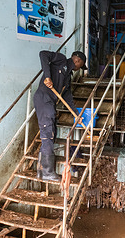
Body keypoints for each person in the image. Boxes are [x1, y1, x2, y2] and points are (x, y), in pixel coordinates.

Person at [34, 50, 87, 181]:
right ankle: (47, 172)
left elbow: (68, 98)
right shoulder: (61, 60)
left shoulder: (67, 78)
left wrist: (76, 114)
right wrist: (47, 76)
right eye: (81, 66)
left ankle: (41, 171)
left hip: (50, 103)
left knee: (52, 132)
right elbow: (43, 54)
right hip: (43, 99)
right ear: (77, 61)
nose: (79, 69)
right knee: (48, 134)